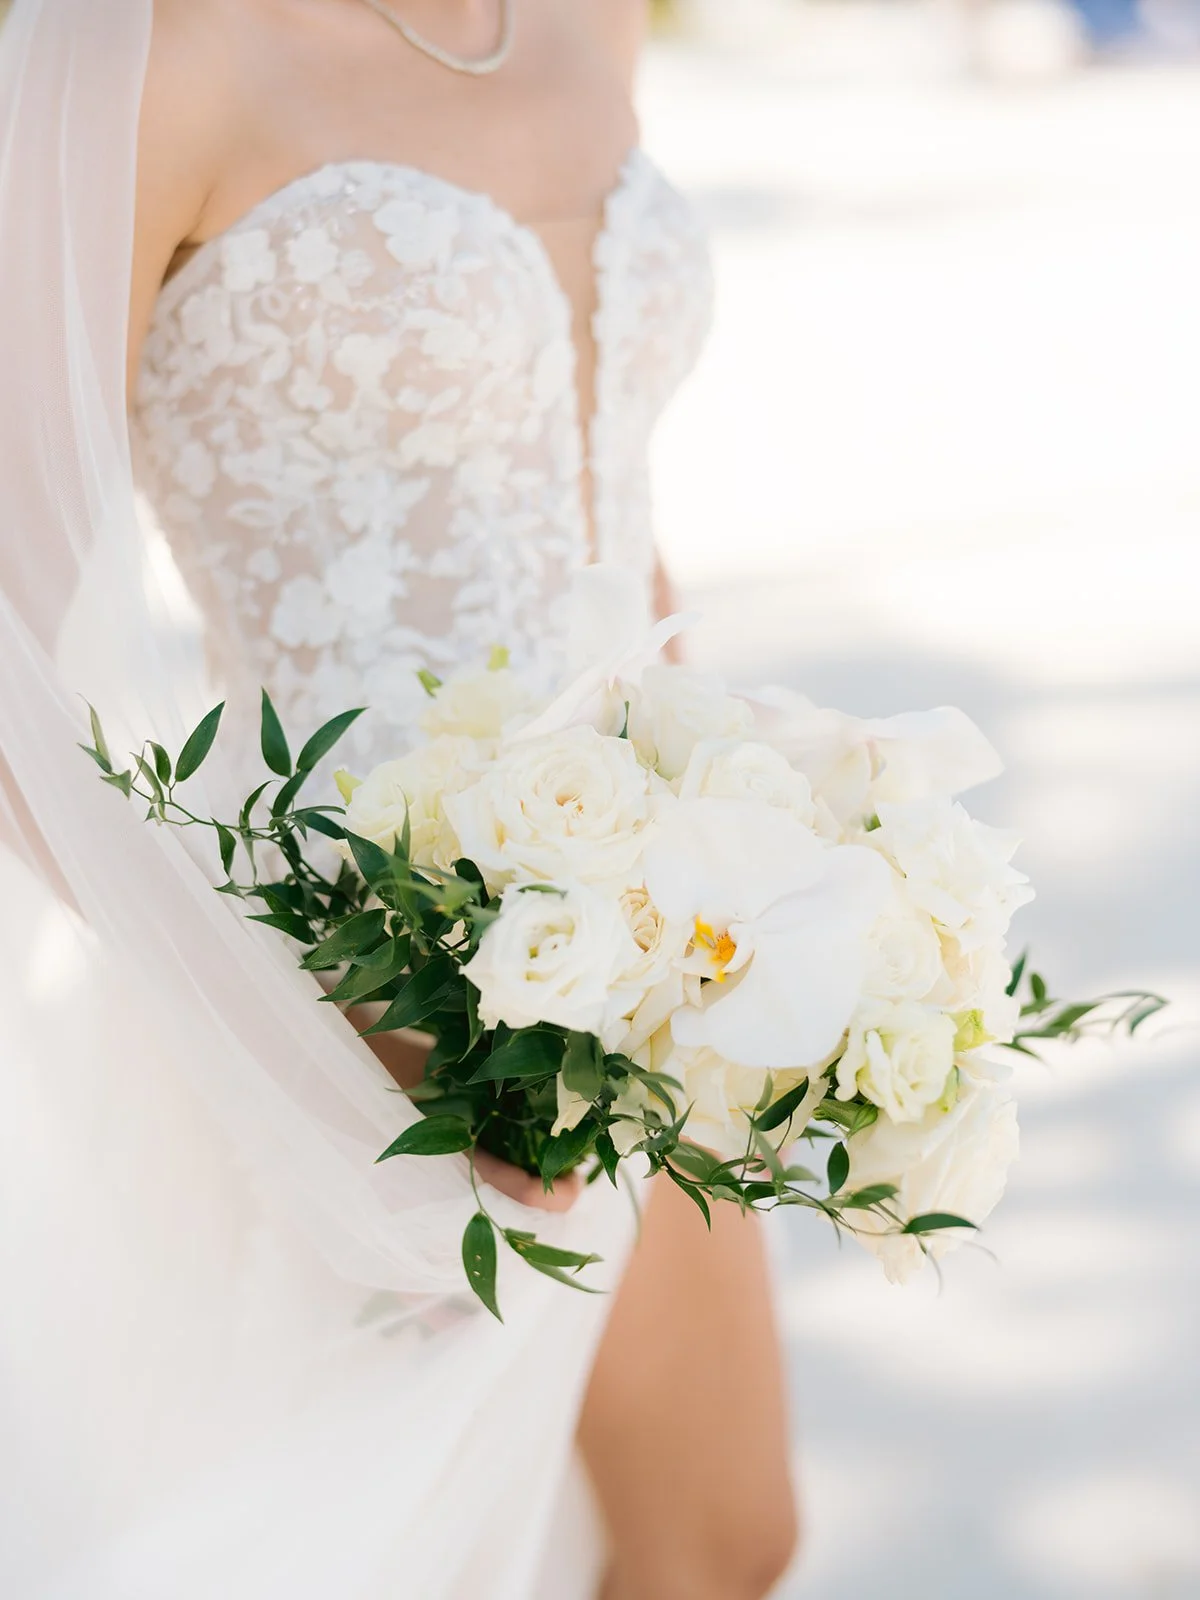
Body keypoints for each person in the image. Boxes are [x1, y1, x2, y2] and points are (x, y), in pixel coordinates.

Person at [0, 2, 797, 1595]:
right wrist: (302, 1032)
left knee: (721, 1537)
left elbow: (605, 499)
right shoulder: (146, 54)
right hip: (346, 985)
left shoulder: (579, 19)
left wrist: (761, 850)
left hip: (653, 948)